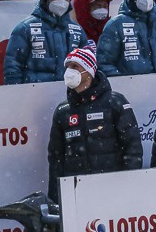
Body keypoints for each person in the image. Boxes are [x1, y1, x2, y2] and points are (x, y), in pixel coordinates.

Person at [47, 48, 143, 201]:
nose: (69, 71)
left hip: (112, 188)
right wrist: (55, 198)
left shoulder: (115, 103)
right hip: (77, 192)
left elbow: (132, 148)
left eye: (75, 66)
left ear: (89, 71)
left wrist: (129, 184)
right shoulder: (62, 111)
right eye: (68, 67)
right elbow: (55, 158)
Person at [4, 0, 89, 84]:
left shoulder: (77, 30)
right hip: (33, 92)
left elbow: (87, 66)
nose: (62, 2)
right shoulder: (25, 28)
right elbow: (12, 66)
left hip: (69, 91)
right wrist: (16, 91)